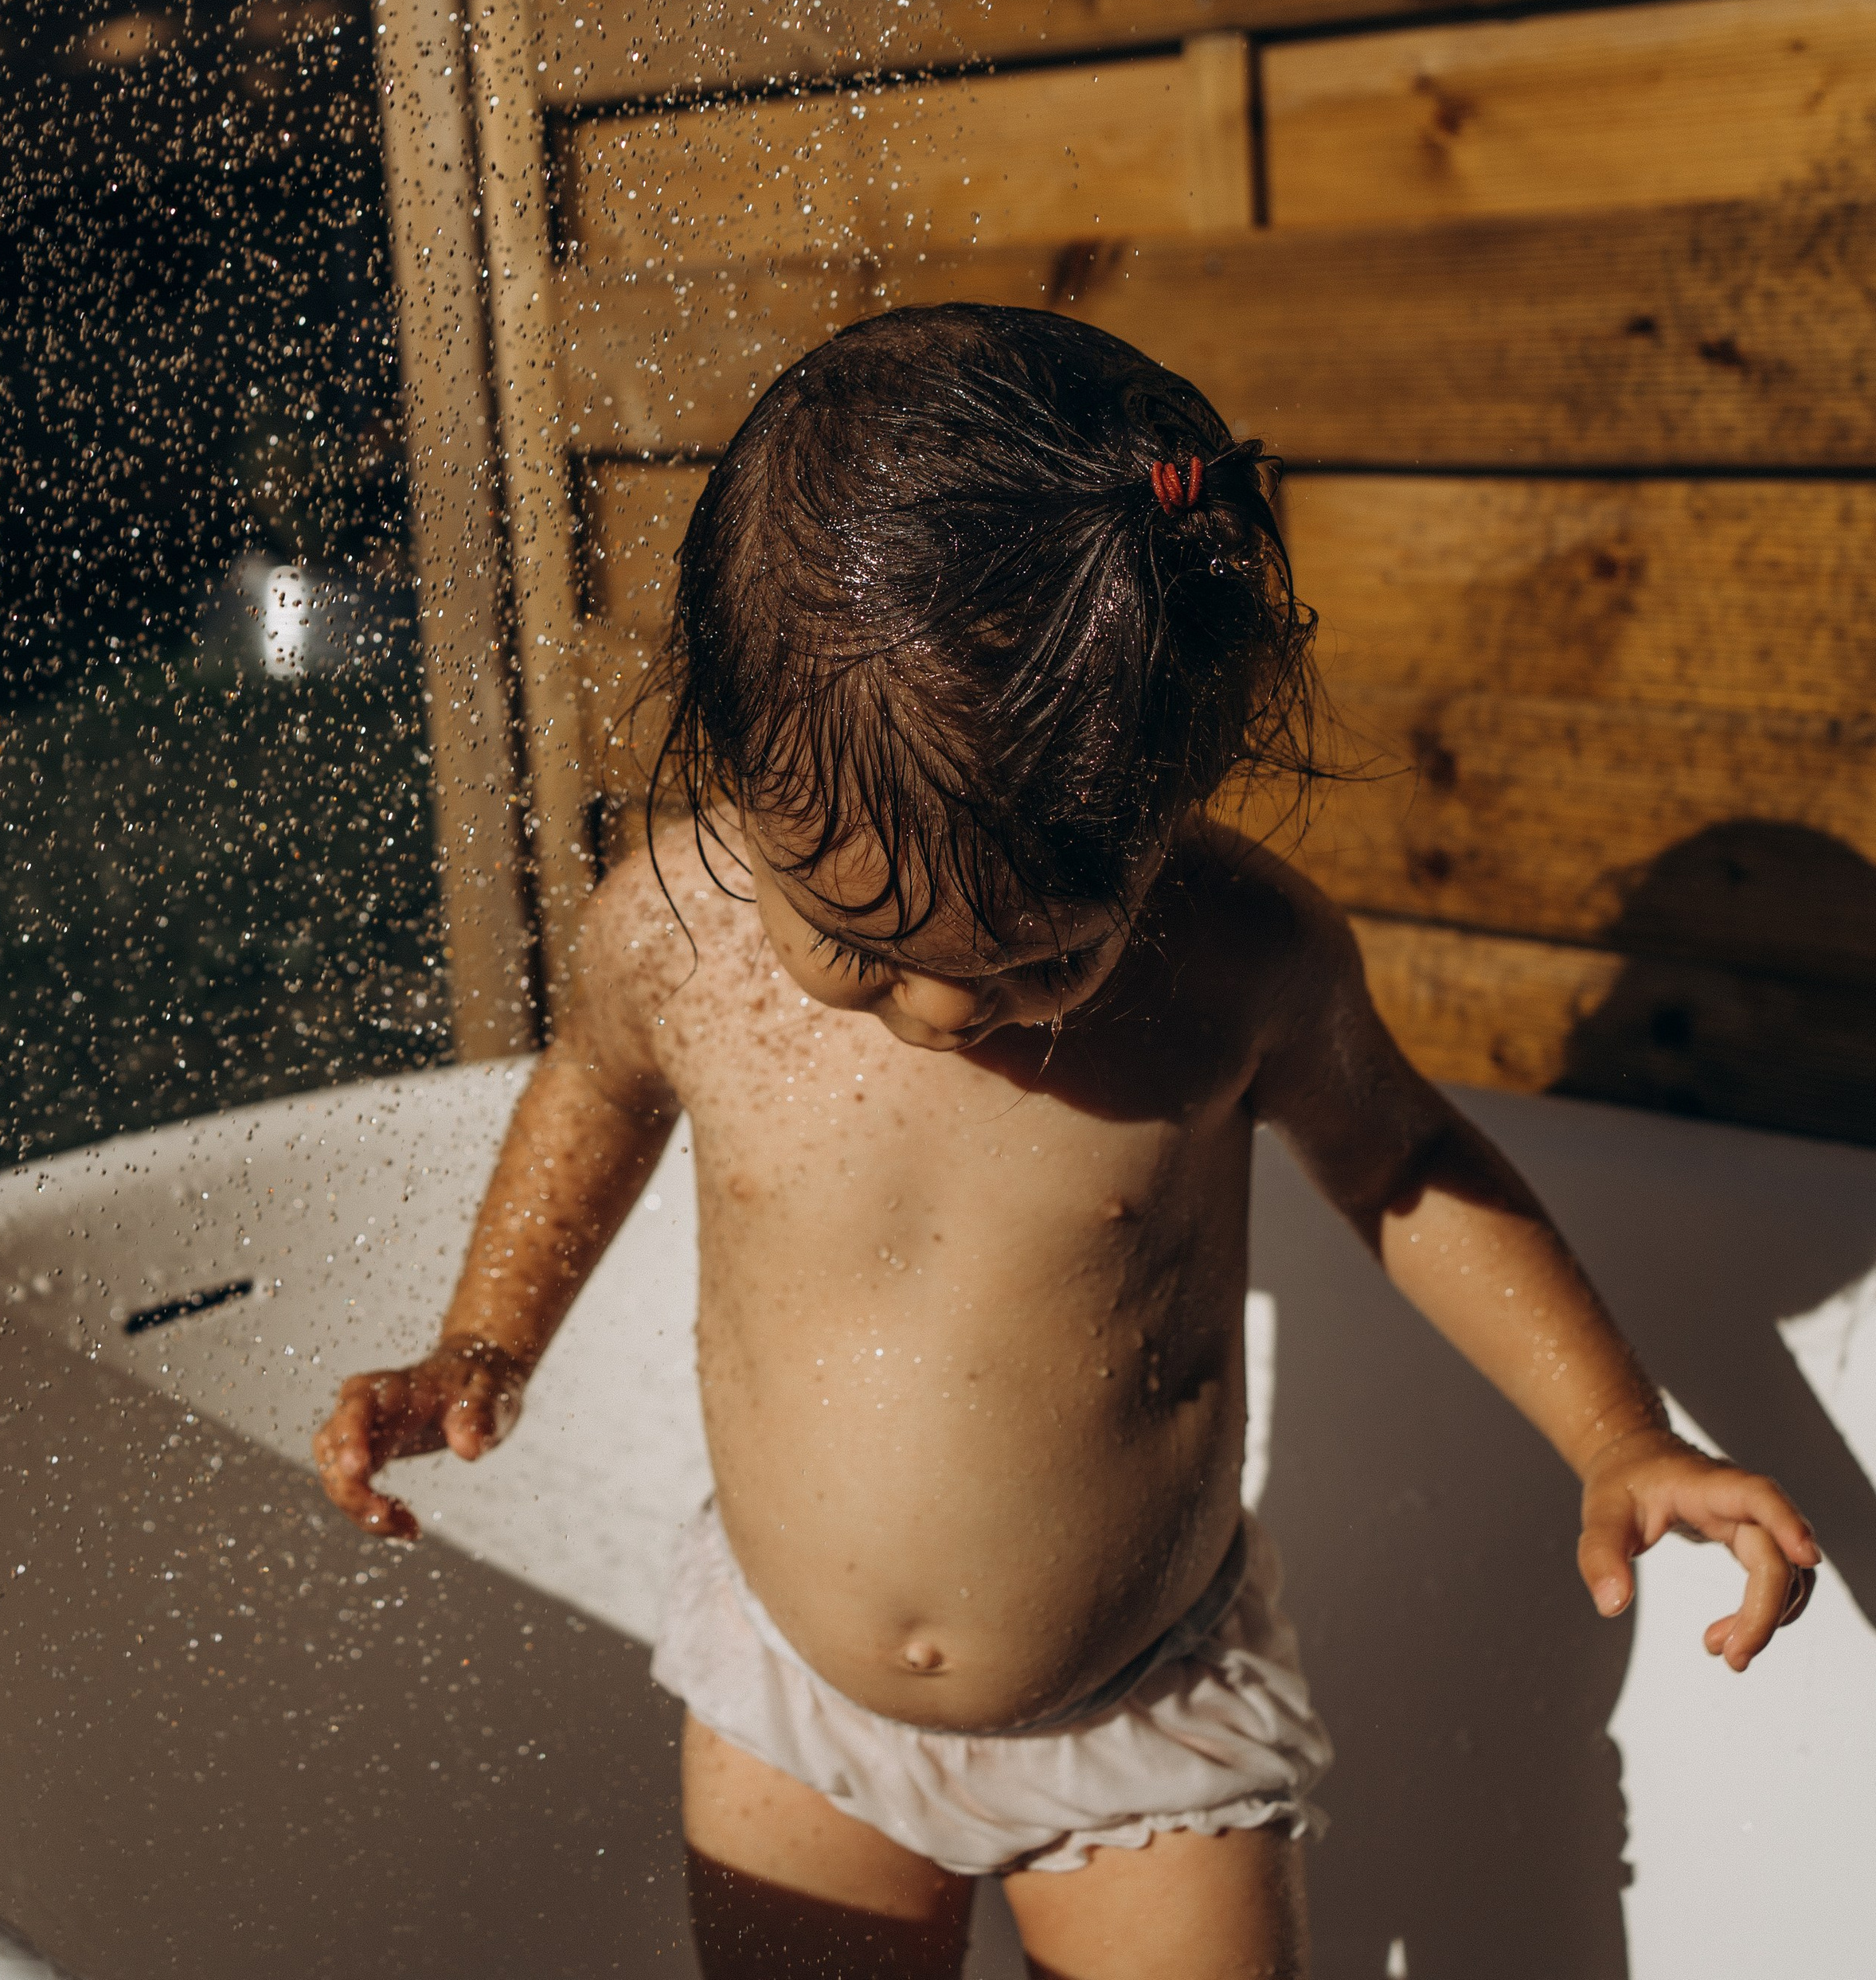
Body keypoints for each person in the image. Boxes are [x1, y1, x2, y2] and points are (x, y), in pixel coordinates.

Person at [313, 305, 1818, 1979]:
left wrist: (1618, 1437)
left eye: (1037, 956)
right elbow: (589, 1098)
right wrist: (484, 1336)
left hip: (1145, 1710)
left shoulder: (1241, 960)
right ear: (737, 770)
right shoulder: (669, 934)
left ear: (1171, 807)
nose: (952, 1016)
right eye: (861, 946)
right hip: (791, 1704)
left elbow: (1404, 1172)